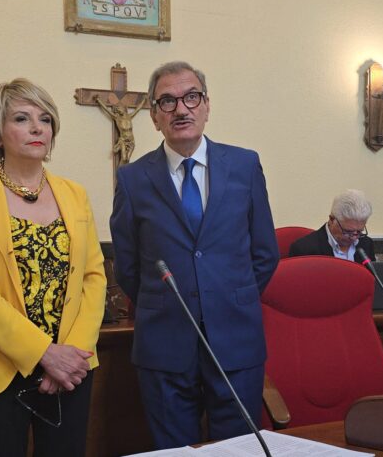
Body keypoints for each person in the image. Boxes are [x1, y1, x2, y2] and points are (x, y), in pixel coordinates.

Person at [110, 61, 279, 448]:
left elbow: (265, 254)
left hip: (236, 339)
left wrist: (227, 298)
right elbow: (128, 267)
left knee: (238, 452)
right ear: (154, 116)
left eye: (191, 97)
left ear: (206, 106)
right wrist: (170, 301)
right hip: (164, 343)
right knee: (175, 453)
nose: (181, 109)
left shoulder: (245, 166)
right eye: (167, 101)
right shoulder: (133, 180)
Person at [0, 78, 107, 457]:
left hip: (70, 369)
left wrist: (70, 355)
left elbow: (93, 277)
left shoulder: (75, 194)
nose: (37, 128)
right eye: (22, 118)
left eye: (45, 119)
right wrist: (43, 353)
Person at [288, 189, 376, 262]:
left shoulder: (366, 244)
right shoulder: (304, 249)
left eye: (359, 231)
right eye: (347, 231)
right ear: (331, 219)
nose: (354, 237)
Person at [94, 93, 145, 167]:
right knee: (124, 158)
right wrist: (99, 100)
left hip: (131, 141)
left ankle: (123, 173)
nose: (118, 110)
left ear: (123, 109)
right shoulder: (117, 118)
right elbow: (107, 110)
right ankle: (119, 173)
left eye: (119, 108)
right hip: (123, 140)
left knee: (127, 160)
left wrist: (144, 100)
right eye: (117, 109)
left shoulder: (129, 116)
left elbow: (138, 109)